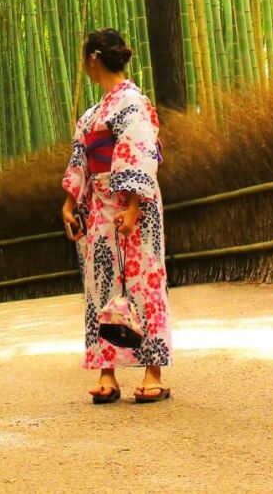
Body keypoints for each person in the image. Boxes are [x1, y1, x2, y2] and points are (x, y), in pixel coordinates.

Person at [60, 28, 172, 404]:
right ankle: (106, 371)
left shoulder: (133, 102)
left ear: (93, 58)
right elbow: (80, 157)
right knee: (101, 285)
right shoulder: (93, 114)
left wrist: (133, 204)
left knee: (144, 281)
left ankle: (152, 371)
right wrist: (69, 202)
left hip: (132, 203)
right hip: (99, 205)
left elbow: (139, 152)